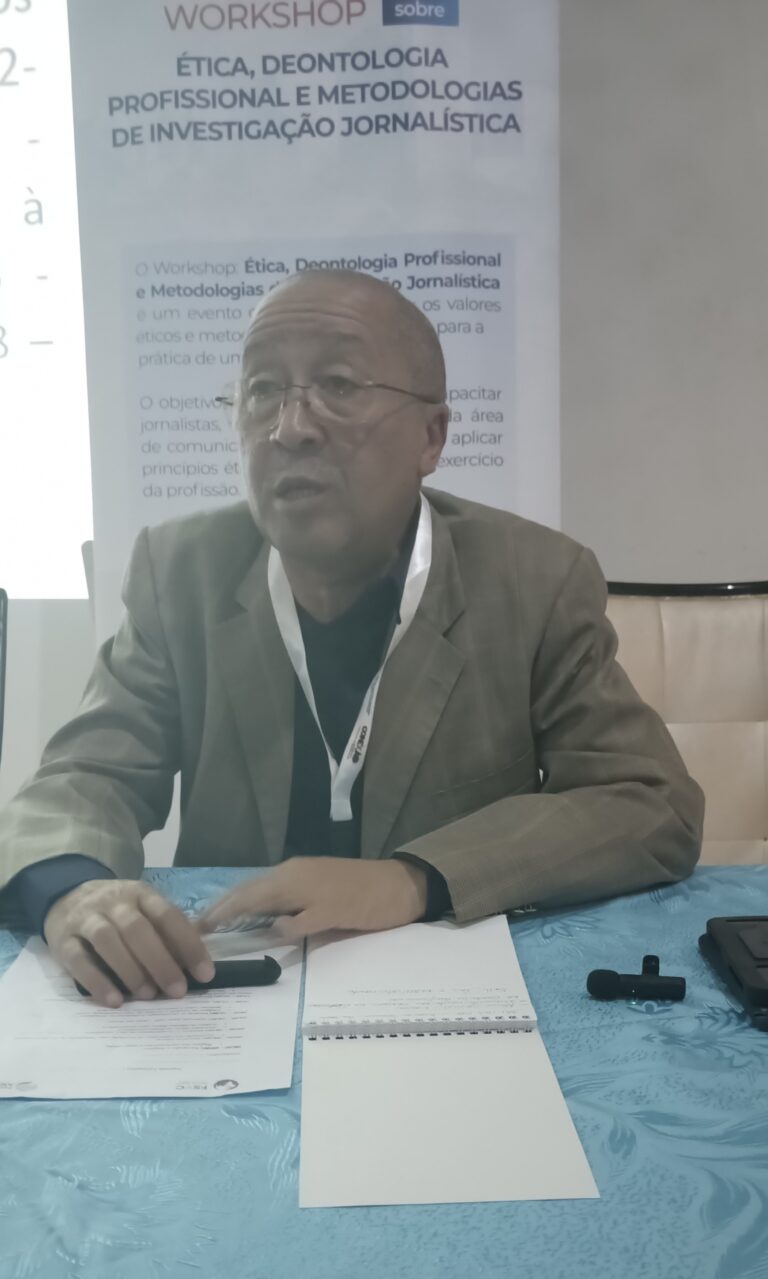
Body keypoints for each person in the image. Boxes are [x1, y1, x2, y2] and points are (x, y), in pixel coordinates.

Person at [0, 271, 703, 1007]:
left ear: (431, 436)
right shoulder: (182, 570)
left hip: (446, 991)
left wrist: (412, 879)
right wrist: (73, 889)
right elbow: (87, 776)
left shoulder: (532, 579)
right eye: (261, 390)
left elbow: (649, 801)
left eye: (337, 384)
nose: (289, 428)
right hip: (226, 983)